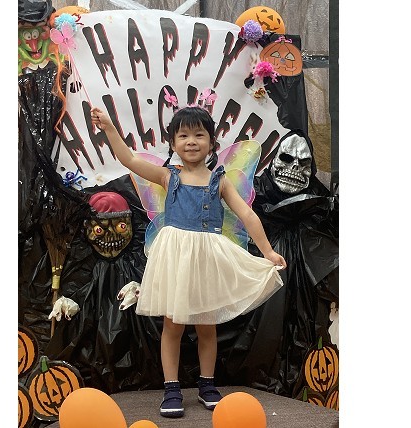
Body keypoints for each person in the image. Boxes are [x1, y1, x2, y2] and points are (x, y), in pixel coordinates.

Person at [90, 105, 287, 418]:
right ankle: (171, 388)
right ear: (172, 143)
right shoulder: (168, 177)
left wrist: (268, 252)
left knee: (206, 326)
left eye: (199, 135)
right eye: (183, 135)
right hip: (176, 259)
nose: (191, 141)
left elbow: (247, 214)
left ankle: (207, 384)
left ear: (212, 142)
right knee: (173, 325)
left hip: (207, 259)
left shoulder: (220, 182)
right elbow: (128, 159)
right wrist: (109, 127)